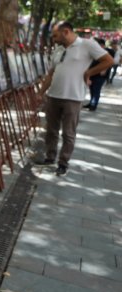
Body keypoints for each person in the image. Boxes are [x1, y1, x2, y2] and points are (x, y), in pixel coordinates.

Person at [37, 21, 114, 176]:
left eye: (55, 35)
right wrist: (41, 93)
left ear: (66, 32)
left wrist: (89, 73)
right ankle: (50, 157)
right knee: (51, 130)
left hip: (73, 98)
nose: (53, 39)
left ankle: (63, 163)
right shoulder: (58, 50)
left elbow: (108, 61)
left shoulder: (87, 45)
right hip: (53, 96)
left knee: (68, 133)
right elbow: (51, 74)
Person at [84, 38, 115, 111]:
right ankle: (91, 102)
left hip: (100, 75)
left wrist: (104, 70)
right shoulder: (95, 52)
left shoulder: (107, 52)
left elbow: (110, 62)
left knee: (96, 89)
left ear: (102, 45)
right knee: (92, 89)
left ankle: (94, 104)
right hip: (92, 73)